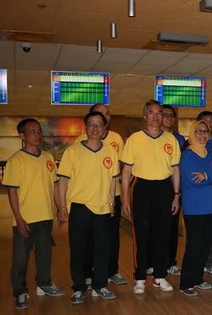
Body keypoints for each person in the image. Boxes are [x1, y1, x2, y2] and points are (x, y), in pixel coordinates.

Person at [57, 112, 119, 304]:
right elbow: (63, 181)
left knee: (102, 249)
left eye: (99, 124)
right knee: (78, 250)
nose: (95, 128)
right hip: (80, 207)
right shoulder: (72, 151)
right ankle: (79, 288)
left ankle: (100, 286)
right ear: (85, 128)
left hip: (102, 208)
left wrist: (111, 203)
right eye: (91, 124)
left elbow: (112, 180)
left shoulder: (110, 151)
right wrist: (61, 207)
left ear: (104, 128)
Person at [120, 100, 181, 295]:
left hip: (164, 188)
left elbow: (175, 169)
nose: (156, 116)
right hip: (142, 187)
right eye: (152, 112)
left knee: (162, 234)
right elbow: (126, 171)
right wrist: (125, 199)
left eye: (159, 113)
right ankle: (139, 278)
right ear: (145, 116)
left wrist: (176, 195)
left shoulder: (170, 139)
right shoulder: (135, 139)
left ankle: (160, 276)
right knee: (142, 235)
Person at [3, 118, 65, 309]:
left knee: (44, 255)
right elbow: (12, 191)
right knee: (21, 258)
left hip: (45, 217)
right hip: (25, 219)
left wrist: (61, 209)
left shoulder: (47, 157)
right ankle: (20, 291)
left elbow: (55, 186)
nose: (38, 134)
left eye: (39, 131)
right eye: (32, 131)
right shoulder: (16, 160)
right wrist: (19, 218)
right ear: (23, 135)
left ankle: (44, 284)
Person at [74, 103, 127, 286]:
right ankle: (87, 273)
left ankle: (112, 271)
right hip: (88, 198)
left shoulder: (116, 139)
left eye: (107, 113)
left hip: (113, 196)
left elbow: (120, 166)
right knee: (88, 239)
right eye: (99, 114)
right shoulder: (80, 140)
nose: (105, 116)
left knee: (111, 237)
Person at [178, 121, 212, 296]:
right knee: (194, 245)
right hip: (194, 208)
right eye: (198, 131)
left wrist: (206, 175)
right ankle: (186, 283)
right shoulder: (188, 155)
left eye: (205, 132)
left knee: (205, 245)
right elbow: (192, 180)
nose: (202, 135)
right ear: (192, 133)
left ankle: (197, 278)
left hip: (211, 206)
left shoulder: (210, 154)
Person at [161, 105, 185, 278]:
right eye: (166, 115)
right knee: (156, 227)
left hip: (175, 188)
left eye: (172, 116)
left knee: (171, 228)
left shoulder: (179, 139)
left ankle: (170, 263)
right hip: (158, 186)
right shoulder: (154, 136)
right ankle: (153, 263)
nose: (169, 118)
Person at [196, 110, 212, 275]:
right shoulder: (192, 146)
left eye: (211, 121)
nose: (208, 124)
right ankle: (204, 260)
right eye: (204, 121)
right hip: (200, 193)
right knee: (202, 230)